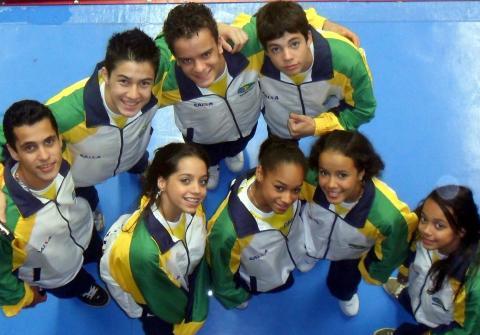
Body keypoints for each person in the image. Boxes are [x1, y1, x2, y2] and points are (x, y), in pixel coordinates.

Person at [157, 2, 359, 189]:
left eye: (206, 54)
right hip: (202, 140)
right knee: (206, 157)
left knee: (238, 145)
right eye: (186, 60)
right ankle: (211, 165)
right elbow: (148, 61)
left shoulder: (247, 46)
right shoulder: (169, 83)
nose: (200, 68)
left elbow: (279, 16)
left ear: (219, 42)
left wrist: (323, 23)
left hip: (246, 127)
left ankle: (234, 151)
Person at [0, 28, 164, 231]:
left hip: (133, 151)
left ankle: (140, 167)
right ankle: (91, 208)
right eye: (124, 81)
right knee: (82, 194)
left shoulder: (159, 77)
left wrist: (216, 28)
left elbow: (174, 41)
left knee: (137, 158)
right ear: (105, 75)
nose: (134, 95)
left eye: (144, 83)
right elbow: (6, 136)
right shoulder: (66, 113)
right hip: (83, 177)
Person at [0, 100, 108, 317]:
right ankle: (84, 287)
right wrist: (25, 297)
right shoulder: (9, 225)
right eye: (29, 147)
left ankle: (97, 254)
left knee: (96, 249)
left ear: (59, 139)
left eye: (49, 141)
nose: (44, 156)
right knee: (72, 283)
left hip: (82, 229)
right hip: (56, 271)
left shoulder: (65, 158)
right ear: (12, 151)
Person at [301, 130, 417, 316]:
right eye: (324, 172)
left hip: (350, 255)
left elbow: (392, 251)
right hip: (312, 235)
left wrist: (371, 271)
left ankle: (345, 294)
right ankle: (312, 255)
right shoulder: (307, 177)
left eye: (342, 175)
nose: (330, 184)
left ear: (362, 172)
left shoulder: (388, 219)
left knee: (341, 284)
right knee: (308, 245)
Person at [100, 142, 210, 335]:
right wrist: (137, 311)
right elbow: (110, 273)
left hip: (181, 283)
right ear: (162, 182)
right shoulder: (139, 250)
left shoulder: (192, 208)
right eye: (185, 180)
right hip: (156, 308)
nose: (198, 190)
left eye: (202, 181)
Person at [237, 1, 376, 140]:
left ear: (309, 37)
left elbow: (363, 110)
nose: (287, 57)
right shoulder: (254, 48)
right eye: (275, 49)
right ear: (265, 49)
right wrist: (220, 27)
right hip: (280, 129)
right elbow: (221, 38)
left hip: (332, 128)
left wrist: (318, 126)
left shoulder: (347, 61)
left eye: (295, 44)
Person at [207, 137, 308, 309]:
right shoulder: (228, 231)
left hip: (289, 257)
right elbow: (221, 275)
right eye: (279, 188)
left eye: (296, 190)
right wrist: (236, 296)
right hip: (260, 279)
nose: (288, 199)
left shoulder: (291, 181)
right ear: (260, 173)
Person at [374, 185, 480, 335]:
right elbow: (411, 253)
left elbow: (468, 330)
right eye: (424, 218)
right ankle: (407, 298)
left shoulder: (472, 283)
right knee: (411, 296)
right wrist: (404, 271)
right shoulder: (425, 237)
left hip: (440, 325)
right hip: (419, 293)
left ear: (461, 231)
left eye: (439, 225)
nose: (425, 230)